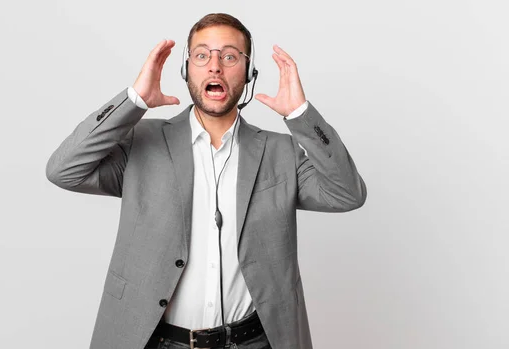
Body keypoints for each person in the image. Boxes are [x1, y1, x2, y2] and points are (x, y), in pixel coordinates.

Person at [46, 12, 366, 349]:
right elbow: (64, 169)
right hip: (160, 342)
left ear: (248, 73)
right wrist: (134, 101)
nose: (215, 66)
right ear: (186, 71)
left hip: (255, 341)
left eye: (229, 56)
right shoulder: (142, 142)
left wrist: (300, 115)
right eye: (202, 55)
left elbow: (347, 194)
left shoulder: (281, 152)